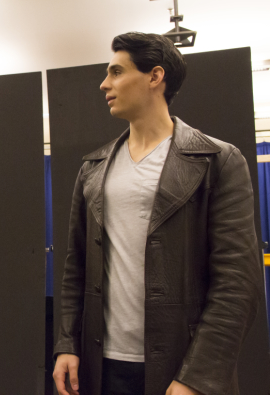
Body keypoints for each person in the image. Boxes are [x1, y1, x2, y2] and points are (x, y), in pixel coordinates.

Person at [52, 32, 262, 395]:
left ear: (155, 77)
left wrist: (196, 377)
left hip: (182, 368)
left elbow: (237, 283)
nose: (105, 84)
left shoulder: (218, 160)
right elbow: (76, 268)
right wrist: (67, 342)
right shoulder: (94, 168)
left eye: (117, 72)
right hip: (103, 366)